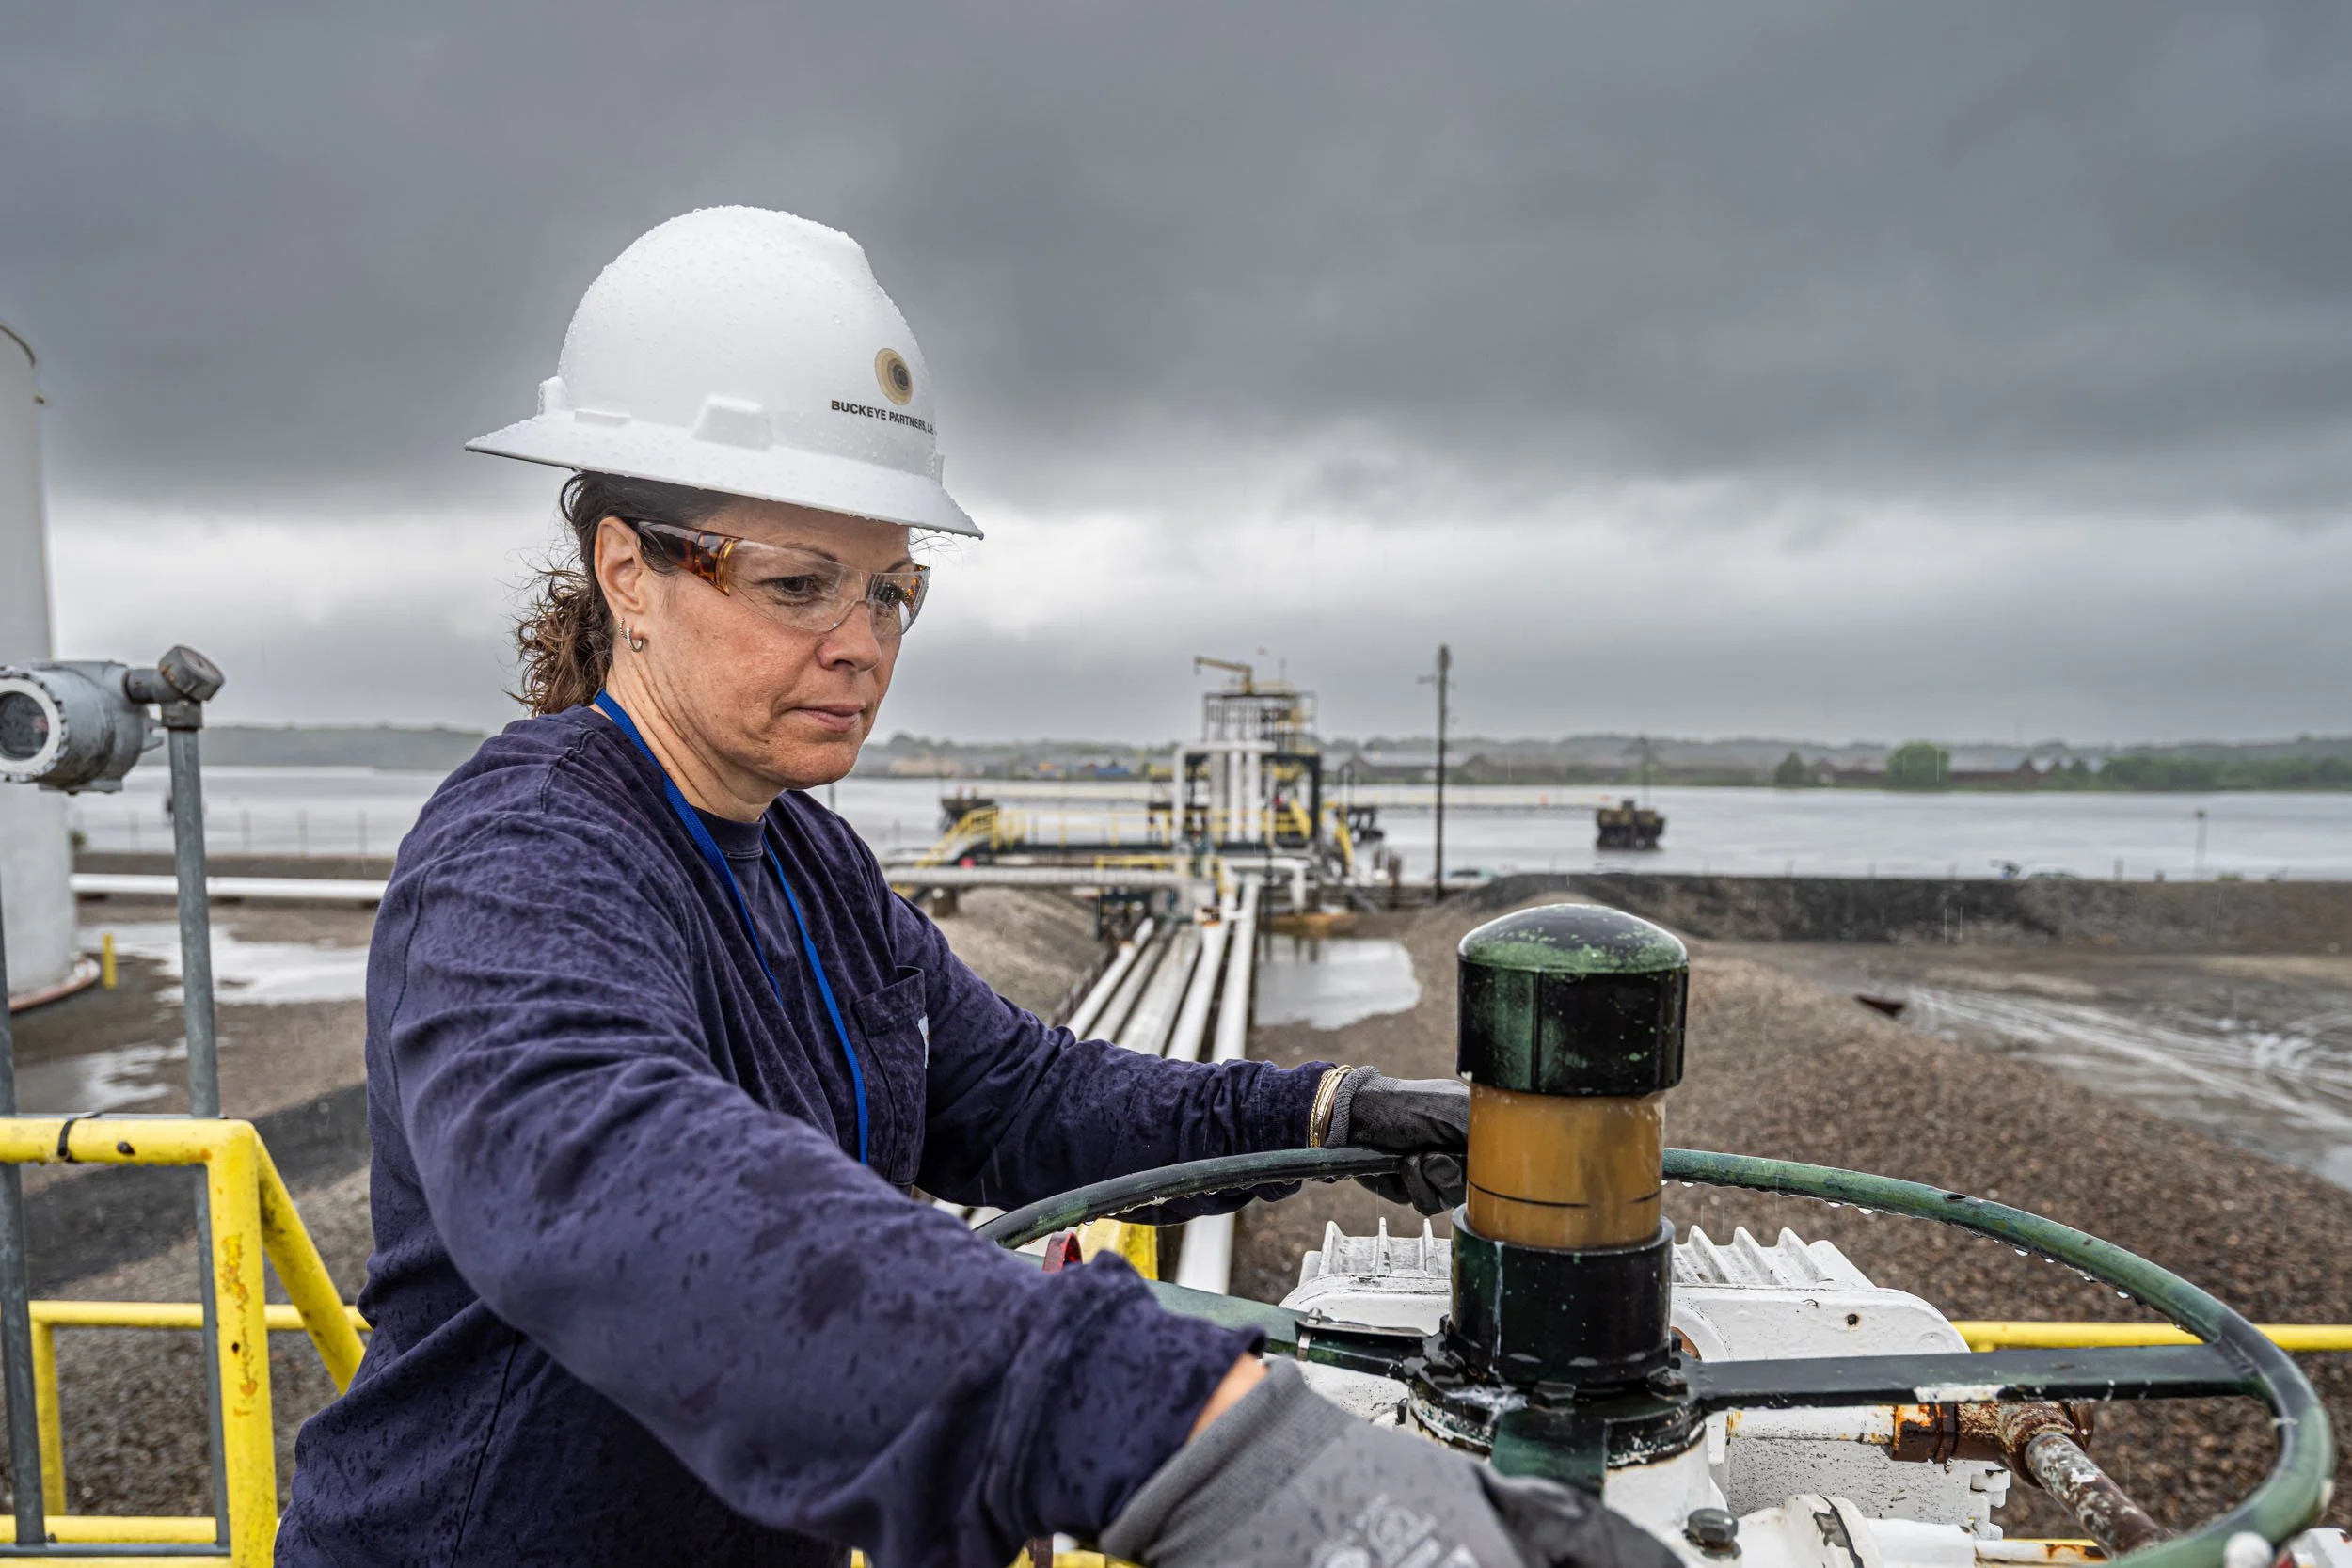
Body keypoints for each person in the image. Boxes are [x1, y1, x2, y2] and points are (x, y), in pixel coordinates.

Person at [276, 208, 1675, 1568]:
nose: (861, 645)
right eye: (799, 584)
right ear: (627, 568)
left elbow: (1019, 1094)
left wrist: (1321, 1109)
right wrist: (1168, 1426)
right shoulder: (524, 854)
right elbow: (612, 1182)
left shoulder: (809, 862)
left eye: (891, 590)